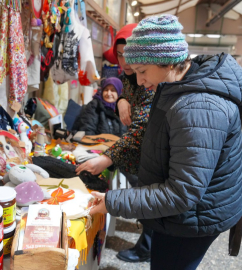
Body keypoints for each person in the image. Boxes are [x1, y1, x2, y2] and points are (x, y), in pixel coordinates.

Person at [88, 14, 242, 270]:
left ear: (167, 61)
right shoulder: (176, 84)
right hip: (181, 212)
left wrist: (113, 202)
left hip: (194, 219)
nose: (138, 80)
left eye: (141, 71)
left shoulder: (197, 106)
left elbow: (182, 192)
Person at [76, 23, 155, 263]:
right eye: (120, 55)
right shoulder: (129, 78)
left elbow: (141, 127)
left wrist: (108, 158)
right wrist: (121, 99)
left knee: (152, 197)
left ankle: (148, 245)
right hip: (141, 153)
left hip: (153, 155)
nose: (124, 61)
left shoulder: (149, 80)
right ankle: (149, 239)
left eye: (129, 55)